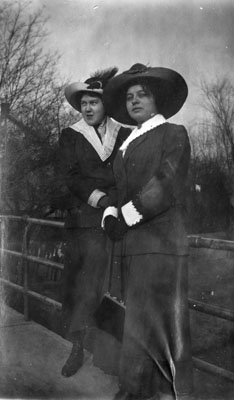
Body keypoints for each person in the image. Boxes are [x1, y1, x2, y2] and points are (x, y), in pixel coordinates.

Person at [102, 63, 194, 400]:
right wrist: (110, 214)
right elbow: (117, 188)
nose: (135, 101)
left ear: (158, 100)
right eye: (129, 97)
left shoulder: (173, 133)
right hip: (132, 247)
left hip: (160, 247)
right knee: (136, 328)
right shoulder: (127, 143)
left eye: (143, 94)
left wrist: (124, 217)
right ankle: (134, 391)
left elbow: (165, 184)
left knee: (161, 333)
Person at [58, 67, 131, 378]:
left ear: (106, 105)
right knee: (81, 287)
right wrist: (102, 199)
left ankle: (111, 356)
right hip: (83, 221)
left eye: (94, 103)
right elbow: (70, 177)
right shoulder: (71, 135)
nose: (87, 108)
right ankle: (76, 347)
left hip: (116, 221)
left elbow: (129, 174)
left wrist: (117, 205)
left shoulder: (125, 134)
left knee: (112, 288)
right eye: (83, 103)